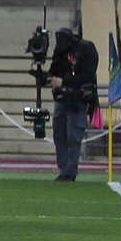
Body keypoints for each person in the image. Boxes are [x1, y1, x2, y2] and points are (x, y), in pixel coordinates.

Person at [42, 28, 98, 182]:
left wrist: (65, 81)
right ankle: (64, 167)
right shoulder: (60, 51)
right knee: (59, 135)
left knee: (73, 136)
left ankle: (70, 170)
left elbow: (88, 76)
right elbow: (55, 70)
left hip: (78, 99)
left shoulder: (85, 50)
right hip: (62, 98)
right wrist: (45, 78)